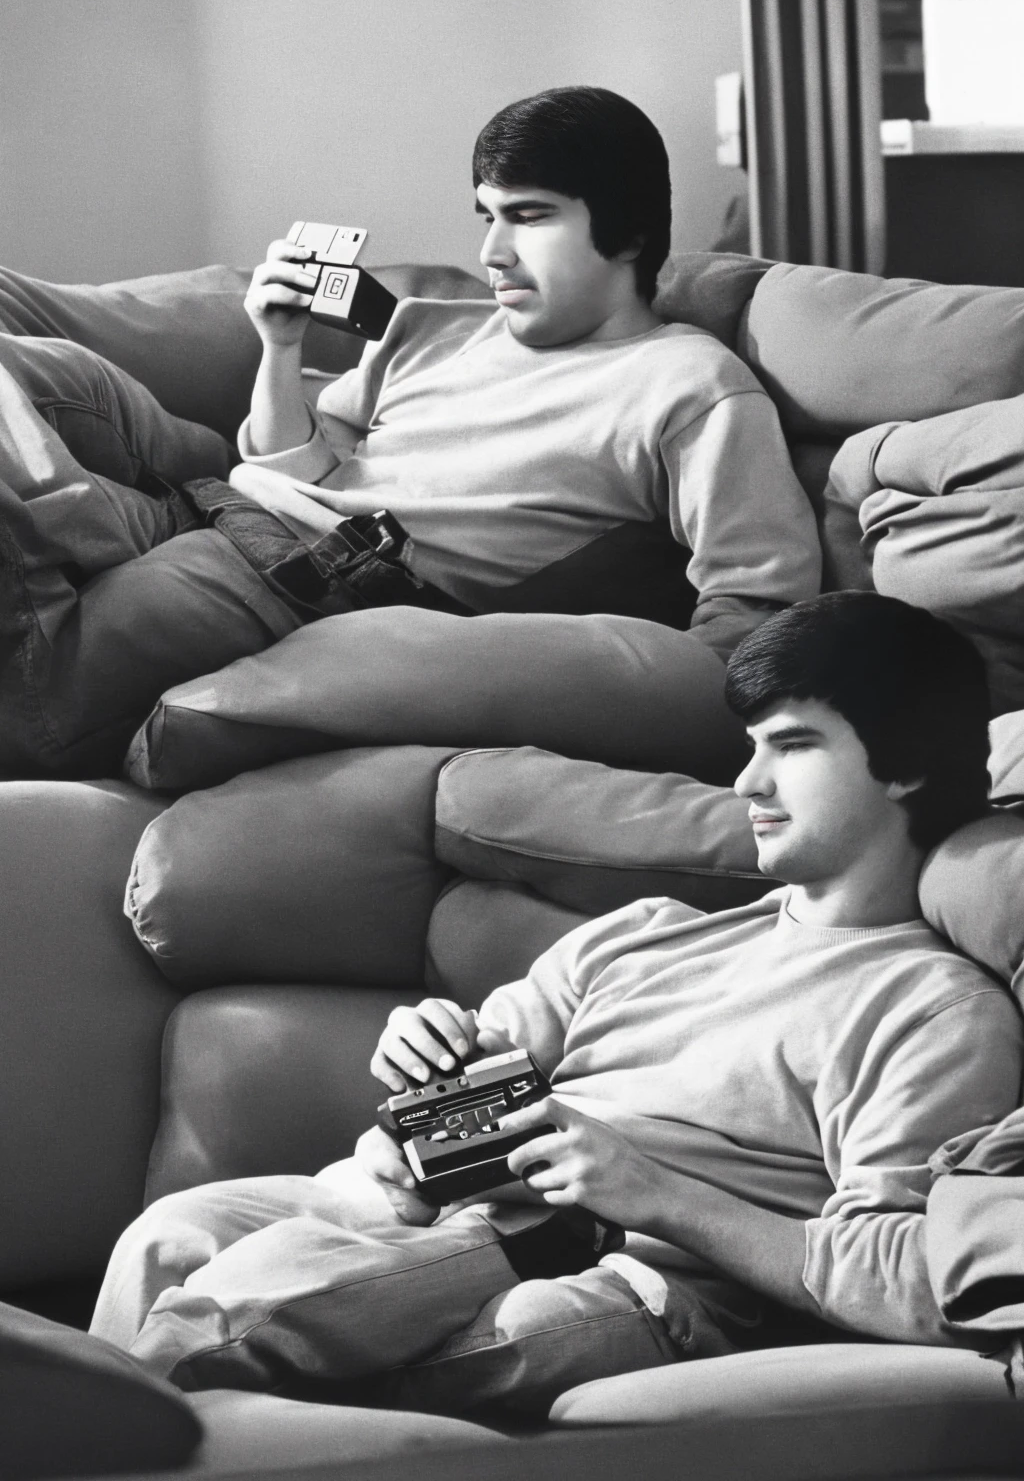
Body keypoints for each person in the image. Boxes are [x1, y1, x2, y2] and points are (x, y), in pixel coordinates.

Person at [89, 592, 1023, 1416]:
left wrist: (655, 1193)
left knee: (255, 1304)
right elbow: (452, 1112)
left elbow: (912, 1273)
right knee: (175, 1232)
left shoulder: (935, 1011)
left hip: (639, 1271)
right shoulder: (648, 931)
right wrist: (429, 1060)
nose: (748, 784)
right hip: (457, 1210)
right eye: (750, 748)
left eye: (793, 746)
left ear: (904, 766)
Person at [0, 86, 819, 776]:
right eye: (487, 216)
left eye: (529, 218)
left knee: (34, 714)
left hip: (294, 577)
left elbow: (754, 611)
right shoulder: (434, 326)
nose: (493, 252)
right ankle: (72, 528)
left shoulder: (689, 385)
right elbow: (305, 460)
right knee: (21, 369)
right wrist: (280, 348)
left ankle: (62, 536)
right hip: (209, 490)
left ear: (631, 232)